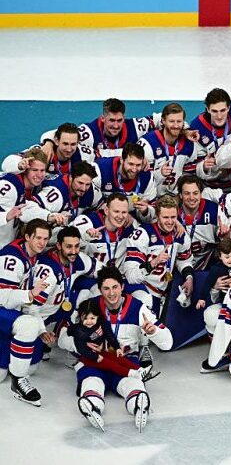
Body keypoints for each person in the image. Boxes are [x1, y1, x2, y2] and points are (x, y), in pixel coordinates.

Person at [58, 266, 173, 432]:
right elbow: (63, 336)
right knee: (91, 381)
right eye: (106, 288)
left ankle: (138, 403)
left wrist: (154, 332)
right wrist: (78, 344)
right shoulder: (90, 307)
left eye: (115, 287)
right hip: (94, 361)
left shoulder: (138, 308)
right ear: (99, 289)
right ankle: (92, 404)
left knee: (132, 383)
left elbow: (168, 343)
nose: (111, 293)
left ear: (122, 287)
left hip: (125, 360)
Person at [0, 219, 52, 406]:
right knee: (27, 325)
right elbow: (2, 296)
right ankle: (18, 382)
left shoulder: (33, 256)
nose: (42, 242)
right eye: (38, 237)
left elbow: (27, 304)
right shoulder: (13, 257)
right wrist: (29, 294)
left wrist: (41, 329)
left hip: (8, 315)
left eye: (45, 239)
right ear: (27, 237)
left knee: (34, 363)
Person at [123, 195, 194, 317]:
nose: (170, 221)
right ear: (157, 216)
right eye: (165, 217)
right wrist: (154, 262)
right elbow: (130, 276)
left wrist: (189, 278)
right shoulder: (143, 234)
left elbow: (184, 260)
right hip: (140, 288)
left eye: (173, 217)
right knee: (147, 307)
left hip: (161, 291)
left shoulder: (180, 234)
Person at [66, 298, 150, 380]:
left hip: (101, 352)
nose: (89, 321)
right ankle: (134, 375)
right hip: (89, 357)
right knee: (112, 365)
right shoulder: (79, 331)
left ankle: (140, 370)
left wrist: (116, 347)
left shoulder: (101, 323)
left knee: (118, 359)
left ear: (97, 316)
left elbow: (109, 335)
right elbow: (81, 348)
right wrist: (95, 357)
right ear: (80, 317)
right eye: (85, 318)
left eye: (92, 318)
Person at [138, 102, 206, 195]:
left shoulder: (188, 143)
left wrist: (204, 166)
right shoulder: (148, 143)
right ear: (163, 121)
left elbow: (190, 173)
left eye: (179, 121)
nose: (176, 125)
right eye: (172, 121)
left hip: (176, 197)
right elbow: (139, 177)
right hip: (152, 198)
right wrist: (160, 173)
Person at [93, 142, 157, 223]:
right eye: (131, 164)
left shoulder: (147, 177)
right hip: (102, 219)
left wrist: (145, 211)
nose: (134, 169)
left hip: (129, 223)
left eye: (138, 165)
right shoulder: (100, 170)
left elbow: (153, 214)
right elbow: (89, 202)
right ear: (121, 160)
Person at [25, 161, 102, 228]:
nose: (83, 188)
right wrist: (49, 216)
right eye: (80, 183)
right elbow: (27, 209)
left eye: (87, 184)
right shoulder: (56, 194)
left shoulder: (92, 192)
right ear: (71, 177)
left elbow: (102, 210)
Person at [2, 122, 94, 177]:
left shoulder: (85, 154)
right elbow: (5, 163)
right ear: (57, 141)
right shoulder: (42, 151)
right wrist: (19, 164)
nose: (69, 149)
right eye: (65, 144)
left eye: (73, 144)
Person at [0, 148, 49, 248]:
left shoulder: (35, 187)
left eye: (42, 170)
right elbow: (7, 162)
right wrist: (6, 216)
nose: (39, 175)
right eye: (34, 170)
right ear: (25, 169)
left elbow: (27, 207)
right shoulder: (9, 187)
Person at [177, 174, 222, 271]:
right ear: (180, 195)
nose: (192, 197)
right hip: (180, 264)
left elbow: (225, 243)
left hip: (208, 263)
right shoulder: (172, 214)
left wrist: (225, 235)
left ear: (201, 194)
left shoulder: (214, 210)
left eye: (195, 193)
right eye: (187, 193)